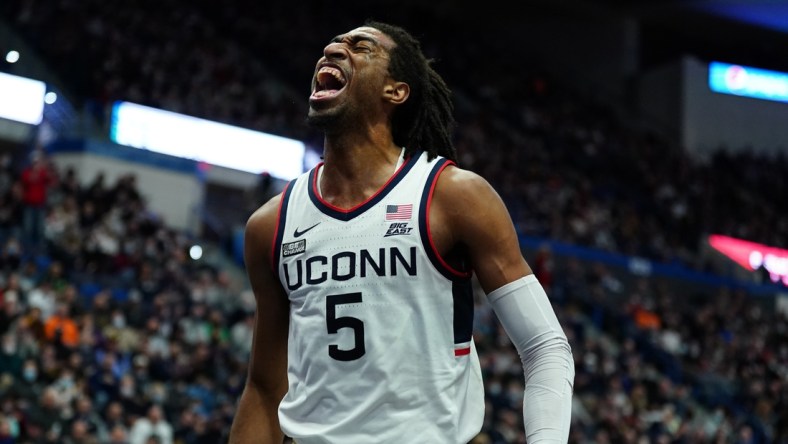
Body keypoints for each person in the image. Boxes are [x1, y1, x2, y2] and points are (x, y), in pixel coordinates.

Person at [230, 20, 574, 443]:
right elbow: (265, 389)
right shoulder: (270, 225)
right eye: (334, 42)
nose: (334, 48)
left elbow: (545, 348)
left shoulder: (453, 196)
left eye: (361, 46)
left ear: (396, 91)